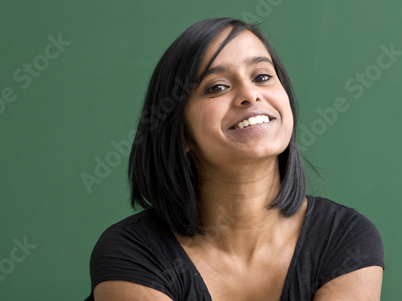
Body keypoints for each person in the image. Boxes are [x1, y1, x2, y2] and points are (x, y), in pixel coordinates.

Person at [85, 18, 384, 300]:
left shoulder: (346, 238)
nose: (250, 94)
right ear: (180, 133)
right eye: (217, 87)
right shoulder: (132, 252)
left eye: (262, 77)